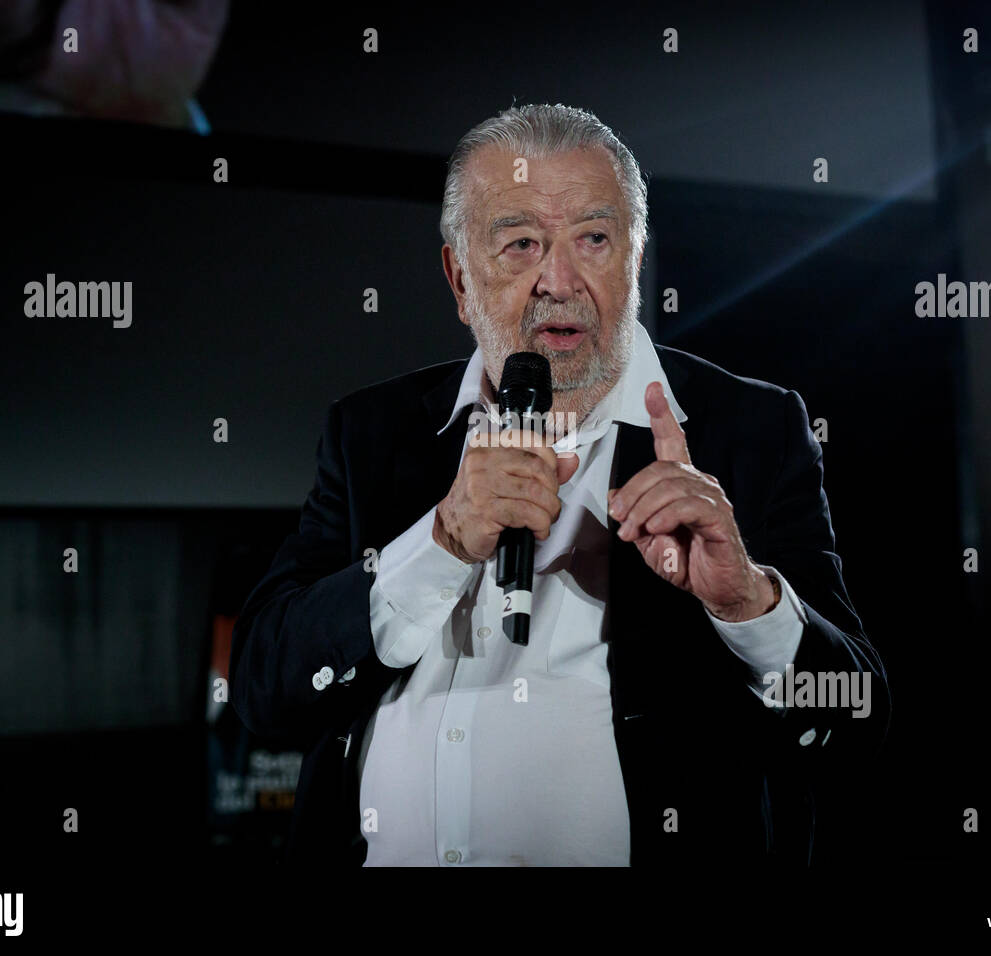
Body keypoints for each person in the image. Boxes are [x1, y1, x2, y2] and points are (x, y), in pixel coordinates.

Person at [230, 103, 888, 867]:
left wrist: (746, 601)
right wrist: (439, 544)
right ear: (459, 278)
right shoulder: (372, 432)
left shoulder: (750, 431)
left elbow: (855, 720)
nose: (560, 280)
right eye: (520, 244)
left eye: (594, 240)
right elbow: (264, 690)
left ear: (634, 258)